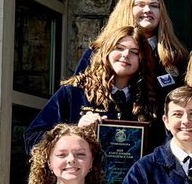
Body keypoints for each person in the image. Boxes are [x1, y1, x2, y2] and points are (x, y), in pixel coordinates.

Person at [24, 25, 160, 154]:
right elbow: (32, 138)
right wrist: (75, 130)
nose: (125, 55)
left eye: (134, 52)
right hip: (80, 177)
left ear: (142, 60)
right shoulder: (74, 92)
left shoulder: (149, 99)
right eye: (119, 48)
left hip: (131, 178)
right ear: (106, 52)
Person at [76, 0, 187, 98]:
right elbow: (77, 93)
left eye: (154, 6)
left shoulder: (176, 56)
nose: (148, 10)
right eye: (140, 4)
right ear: (127, 8)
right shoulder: (98, 52)